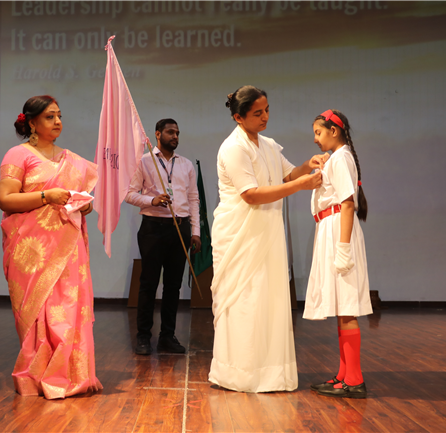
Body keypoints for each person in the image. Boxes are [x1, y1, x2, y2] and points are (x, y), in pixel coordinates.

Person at [209, 86, 326, 392]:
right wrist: (301, 185)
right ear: (239, 117)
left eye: (267, 110)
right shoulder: (233, 148)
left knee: (268, 300)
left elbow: (287, 175)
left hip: (267, 233)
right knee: (245, 302)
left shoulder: (269, 145)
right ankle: (239, 373)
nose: (265, 117)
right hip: (240, 236)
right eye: (257, 113)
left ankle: (270, 373)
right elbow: (251, 194)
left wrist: (308, 166)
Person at [0, 95, 102, 399]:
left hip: (67, 248)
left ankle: (71, 376)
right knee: (39, 312)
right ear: (32, 123)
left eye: (59, 116)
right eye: (49, 117)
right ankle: (38, 375)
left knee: (68, 309)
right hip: (33, 252)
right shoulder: (18, 155)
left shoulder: (71, 159)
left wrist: (84, 206)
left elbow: (78, 198)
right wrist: (47, 196)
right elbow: (6, 199)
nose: (57, 122)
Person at [304, 109, 371, 399]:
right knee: (342, 307)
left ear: (334, 131)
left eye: (318, 133)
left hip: (338, 232)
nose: (315, 139)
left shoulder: (341, 158)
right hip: (330, 229)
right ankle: (344, 375)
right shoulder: (336, 158)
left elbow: (347, 203)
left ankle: (354, 379)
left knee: (347, 305)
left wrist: (343, 248)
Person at [125, 118, 201, 356]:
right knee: (148, 284)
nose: (175, 136)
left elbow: (193, 199)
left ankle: (167, 336)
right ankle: (143, 337)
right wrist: (152, 200)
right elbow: (129, 194)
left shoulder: (186, 164)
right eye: (170, 132)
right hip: (153, 228)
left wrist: (195, 232)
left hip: (180, 228)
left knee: (173, 285)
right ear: (157, 134)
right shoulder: (144, 161)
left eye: (177, 132)